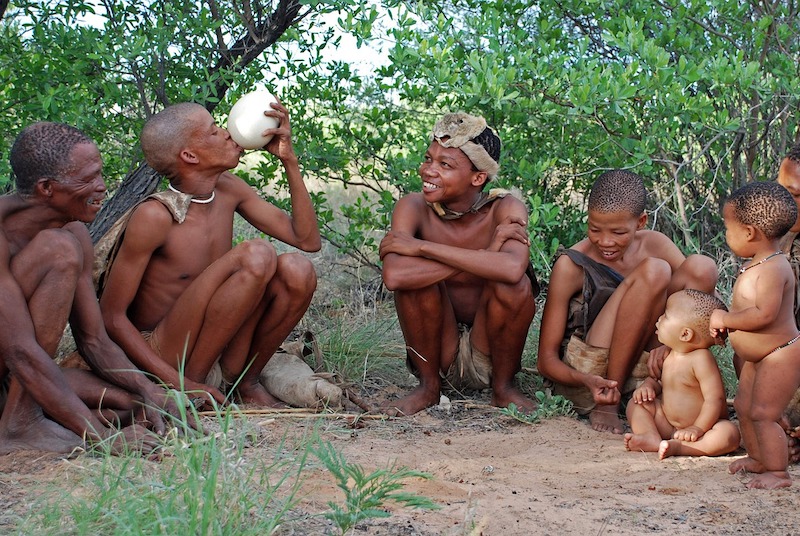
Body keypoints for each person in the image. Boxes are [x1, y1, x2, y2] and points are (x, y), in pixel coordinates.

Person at [97, 99, 320, 408]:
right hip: (166, 354)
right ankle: (196, 389)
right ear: (189, 155)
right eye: (215, 131)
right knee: (256, 254)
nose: (229, 132)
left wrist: (288, 159)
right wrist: (180, 383)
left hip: (217, 343)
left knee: (298, 269)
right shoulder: (155, 216)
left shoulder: (229, 189)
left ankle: (245, 382)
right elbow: (111, 317)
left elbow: (306, 239)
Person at [0, 122, 182, 455]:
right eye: (88, 179)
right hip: (19, 363)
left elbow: (93, 338)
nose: (102, 188)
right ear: (46, 188)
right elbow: (20, 351)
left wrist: (149, 388)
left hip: (16, 379)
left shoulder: (74, 231)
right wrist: (103, 438)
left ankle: (27, 417)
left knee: (137, 405)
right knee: (58, 249)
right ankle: (20, 424)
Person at [379, 112, 539, 416]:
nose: (428, 171)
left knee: (516, 287)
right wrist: (487, 252)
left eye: (445, 165)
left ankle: (503, 388)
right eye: (428, 159)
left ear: (477, 178)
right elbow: (395, 276)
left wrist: (421, 247)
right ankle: (428, 388)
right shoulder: (413, 207)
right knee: (416, 283)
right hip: (439, 348)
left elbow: (511, 269)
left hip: (488, 349)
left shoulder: (505, 208)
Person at [537, 170, 718, 434]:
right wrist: (585, 379)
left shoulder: (655, 243)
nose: (605, 241)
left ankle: (668, 379)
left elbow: (696, 302)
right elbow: (545, 360)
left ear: (641, 221)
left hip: (647, 355)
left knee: (702, 267)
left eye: (619, 232)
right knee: (655, 271)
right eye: (594, 229)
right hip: (595, 367)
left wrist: (671, 345)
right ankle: (611, 399)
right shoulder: (571, 264)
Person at [711, 181, 800, 489]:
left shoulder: (775, 269)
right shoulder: (757, 264)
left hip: (780, 355)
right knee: (746, 408)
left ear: (749, 233)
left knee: (764, 413)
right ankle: (758, 458)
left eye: (727, 227)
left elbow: (765, 314)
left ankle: (777, 471)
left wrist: (726, 318)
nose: (726, 234)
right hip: (758, 358)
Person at [624, 289, 740, 459]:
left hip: (703, 429)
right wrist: (648, 386)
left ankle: (683, 448)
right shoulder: (669, 354)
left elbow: (715, 398)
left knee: (728, 434)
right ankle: (650, 436)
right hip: (668, 424)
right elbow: (663, 383)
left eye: (666, 315)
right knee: (636, 404)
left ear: (685, 334)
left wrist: (698, 428)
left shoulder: (701, 359)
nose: (660, 318)